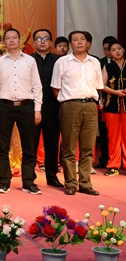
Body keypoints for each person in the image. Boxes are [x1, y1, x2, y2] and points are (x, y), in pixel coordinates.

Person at [51, 31, 104, 196]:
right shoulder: (62, 62)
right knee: (69, 148)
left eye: (82, 39)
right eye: (75, 40)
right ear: (70, 44)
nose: (79, 42)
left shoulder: (95, 62)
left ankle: (86, 183)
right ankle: (70, 183)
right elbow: (55, 87)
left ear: (88, 43)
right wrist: (66, 102)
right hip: (70, 106)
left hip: (90, 106)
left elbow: (98, 86)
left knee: (88, 148)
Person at [0, 28, 43, 195]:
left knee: (29, 146)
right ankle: (4, 181)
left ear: (20, 41)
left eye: (14, 37)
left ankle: (28, 182)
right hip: (4, 106)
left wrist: (37, 109)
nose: (11, 40)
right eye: (8, 38)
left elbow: (37, 86)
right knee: (3, 146)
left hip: (26, 107)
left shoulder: (30, 61)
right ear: (4, 42)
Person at [31, 29, 64, 188]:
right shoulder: (28, 60)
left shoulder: (59, 61)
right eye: (39, 38)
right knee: (31, 144)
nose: (42, 41)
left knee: (52, 143)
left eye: (46, 38)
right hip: (32, 109)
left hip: (53, 108)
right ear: (34, 42)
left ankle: (52, 176)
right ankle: (29, 176)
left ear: (51, 42)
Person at [102, 41, 126, 176]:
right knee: (113, 136)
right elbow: (102, 85)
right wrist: (115, 92)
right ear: (110, 53)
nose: (117, 51)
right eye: (113, 50)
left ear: (123, 50)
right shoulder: (107, 67)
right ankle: (113, 165)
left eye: (119, 48)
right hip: (112, 104)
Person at [95, 36, 117, 169]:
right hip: (103, 102)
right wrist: (100, 99)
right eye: (106, 49)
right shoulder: (99, 62)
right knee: (103, 131)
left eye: (111, 49)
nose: (108, 52)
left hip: (120, 102)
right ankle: (104, 158)